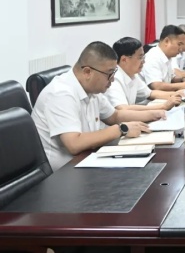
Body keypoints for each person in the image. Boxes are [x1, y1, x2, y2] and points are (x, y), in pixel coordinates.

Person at [31, 42, 158, 171]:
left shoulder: (91, 89)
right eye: (109, 74)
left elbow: (115, 116)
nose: (112, 79)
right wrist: (121, 129)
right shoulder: (61, 94)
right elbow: (74, 144)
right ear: (87, 72)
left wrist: (154, 114)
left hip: (88, 159)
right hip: (65, 172)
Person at [107, 37, 184, 110]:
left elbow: (150, 93)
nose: (143, 61)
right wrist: (163, 106)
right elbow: (123, 108)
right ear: (124, 60)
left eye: (143, 57)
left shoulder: (132, 74)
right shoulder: (114, 78)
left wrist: (175, 95)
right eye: (140, 57)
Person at [140, 25, 185, 91]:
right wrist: (183, 85)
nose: (180, 49)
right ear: (166, 41)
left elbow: (172, 78)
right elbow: (156, 86)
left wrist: (184, 79)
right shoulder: (153, 57)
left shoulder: (167, 57)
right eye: (179, 44)